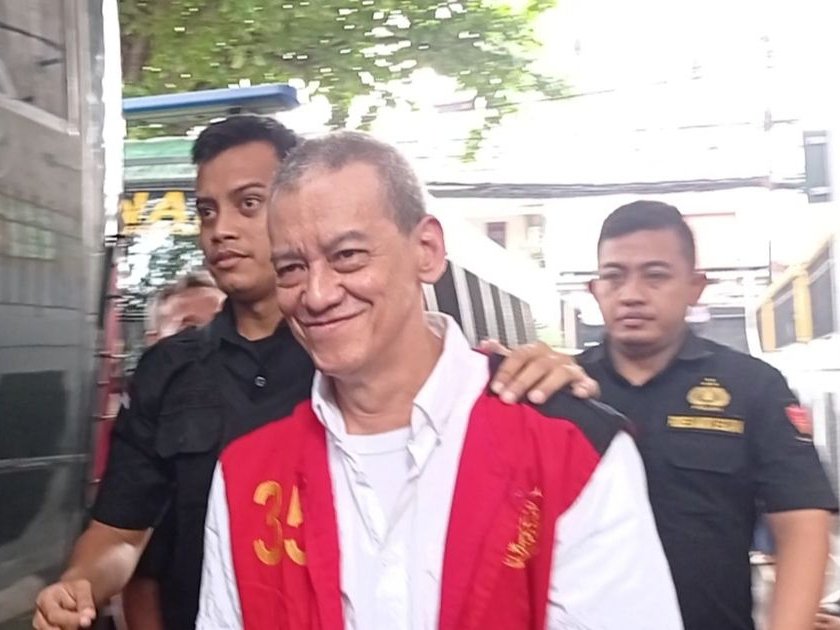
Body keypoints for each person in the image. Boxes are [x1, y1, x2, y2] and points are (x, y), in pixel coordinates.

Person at [33, 117, 593, 630]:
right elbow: (124, 532)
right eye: (206, 211)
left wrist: (547, 379)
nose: (221, 229)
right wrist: (78, 585)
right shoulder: (169, 370)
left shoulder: (368, 357)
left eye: (248, 203)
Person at [196, 131, 682, 629]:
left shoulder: (566, 449)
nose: (317, 294)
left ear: (426, 249)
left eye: (348, 256)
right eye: (292, 268)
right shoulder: (248, 474)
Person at [577, 200, 838, 630]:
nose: (631, 294)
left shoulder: (752, 387)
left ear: (695, 287)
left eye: (655, 276)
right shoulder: (562, 391)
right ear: (595, 289)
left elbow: (801, 524)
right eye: (614, 276)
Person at [121, 270, 224, 630]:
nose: (205, 342)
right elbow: (139, 570)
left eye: (218, 324)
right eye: (188, 330)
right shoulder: (146, 438)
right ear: (154, 343)